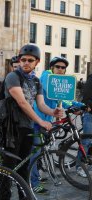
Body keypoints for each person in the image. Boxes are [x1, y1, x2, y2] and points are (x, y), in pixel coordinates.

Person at [0, 44, 63, 200]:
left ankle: (23, 196)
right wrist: (41, 122)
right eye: (23, 59)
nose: (26, 63)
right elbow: (22, 102)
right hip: (11, 127)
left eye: (30, 60)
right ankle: (4, 199)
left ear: (37, 62)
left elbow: (40, 104)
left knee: (24, 164)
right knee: (9, 165)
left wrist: (53, 112)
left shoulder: (35, 81)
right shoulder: (13, 77)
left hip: (26, 126)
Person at [31, 56, 84, 193]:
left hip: (46, 120)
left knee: (41, 150)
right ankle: (33, 183)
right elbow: (53, 93)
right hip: (37, 119)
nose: (60, 70)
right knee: (34, 152)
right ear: (52, 68)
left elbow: (63, 98)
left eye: (63, 68)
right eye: (57, 67)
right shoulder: (46, 77)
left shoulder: (58, 82)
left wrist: (78, 105)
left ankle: (36, 174)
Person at [79, 73, 92, 177]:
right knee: (86, 141)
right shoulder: (91, 79)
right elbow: (86, 97)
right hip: (89, 114)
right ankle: (80, 167)